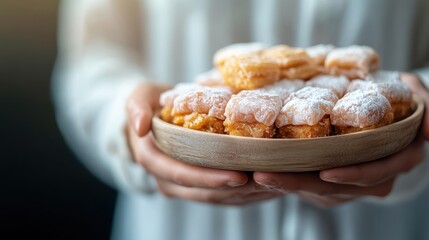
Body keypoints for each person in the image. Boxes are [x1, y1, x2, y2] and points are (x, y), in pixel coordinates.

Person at [52, 0, 429, 239]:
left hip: (382, 224)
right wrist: (124, 121)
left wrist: (421, 105)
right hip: (181, 226)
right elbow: (93, 54)